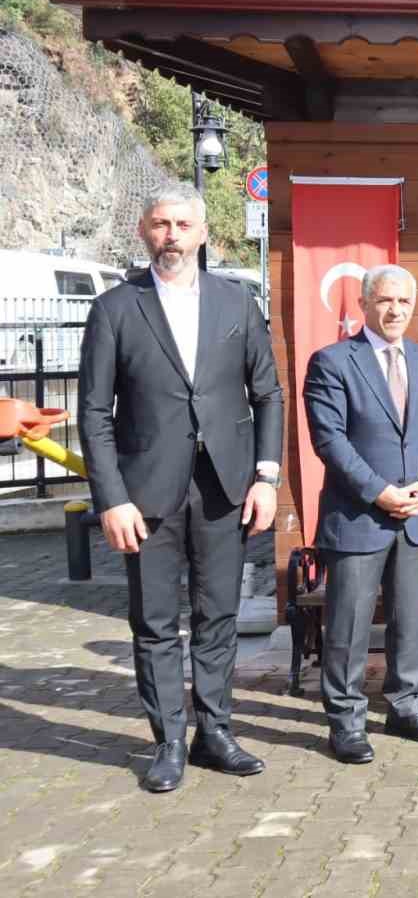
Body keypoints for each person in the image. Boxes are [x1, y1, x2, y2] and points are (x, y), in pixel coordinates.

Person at [79, 190, 283, 793]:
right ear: (144, 231)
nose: (172, 234)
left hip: (225, 486)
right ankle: (168, 741)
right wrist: (111, 498)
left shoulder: (236, 301)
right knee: (155, 620)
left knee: (218, 614)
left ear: (202, 232)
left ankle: (214, 734)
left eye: (183, 225)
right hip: (145, 493)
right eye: (161, 224)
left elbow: (267, 394)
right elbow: (94, 412)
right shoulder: (116, 308)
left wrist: (267, 476)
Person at [303, 264, 418, 764]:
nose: (395, 310)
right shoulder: (333, 361)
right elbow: (330, 441)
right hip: (358, 516)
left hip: (413, 515)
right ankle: (345, 720)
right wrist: (379, 491)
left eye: (404, 302)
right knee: (348, 625)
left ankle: (405, 707)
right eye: (386, 300)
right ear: (365, 304)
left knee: (409, 621)